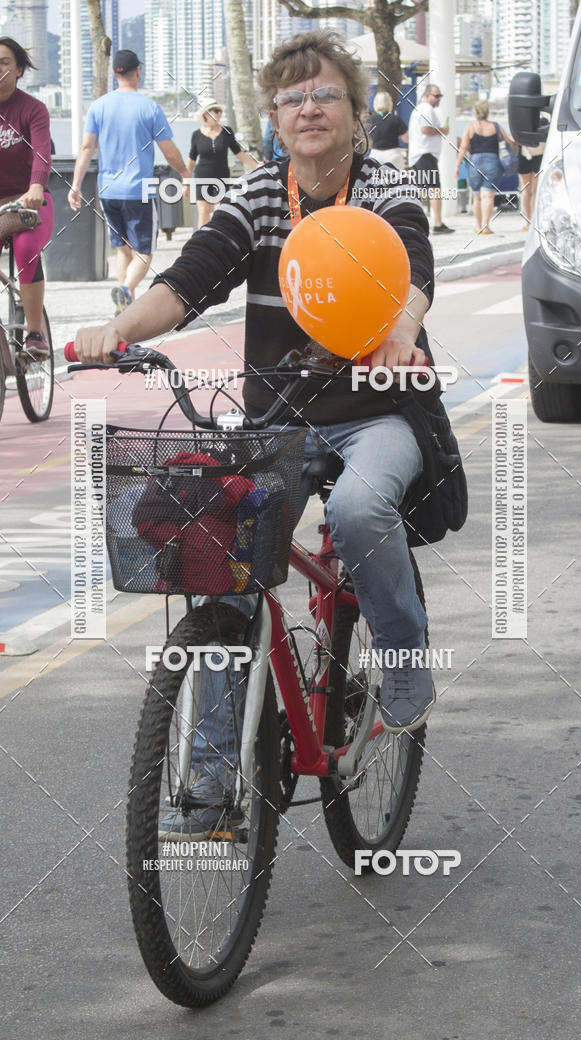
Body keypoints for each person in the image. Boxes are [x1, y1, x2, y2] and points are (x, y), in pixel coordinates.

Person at [73, 30, 438, 836]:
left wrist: (399, 331)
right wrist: (116, 329)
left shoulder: (384, 187)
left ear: (355, 112)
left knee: (358, 512)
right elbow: (187, 280)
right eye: (292, 97)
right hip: (280, 419)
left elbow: (412, 271)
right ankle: (210, 789)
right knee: (222, 558)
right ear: (273, 117)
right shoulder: (262, 194)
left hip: (379, 409)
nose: (309, 108)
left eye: (326, 93)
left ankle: (406, 660)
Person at [68, 50, 190, 316]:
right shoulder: (149, 108)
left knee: (122, 250)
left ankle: (124, 312)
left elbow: (86, 148)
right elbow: (169, 150)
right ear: (138, 72)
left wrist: (75, 185)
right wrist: (185, 174)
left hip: (108, 191)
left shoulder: (98, 106)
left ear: (115, 74)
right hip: (138, 190)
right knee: (144, 253)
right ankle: (125, 289)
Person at [0, 37, 54, 359]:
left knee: (26, 247)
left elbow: (42, 154)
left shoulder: (33, 109)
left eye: (4, 62)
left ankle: (35, 334)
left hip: (29, 201)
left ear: (19, 69)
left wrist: (35, 187)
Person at [187, 97, 258, 228]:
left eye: (219, 111)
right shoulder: (196, 135)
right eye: (215, 111)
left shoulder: (227, 132)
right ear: (206, 114)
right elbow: (191, 160)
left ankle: (216, 239)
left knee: (219, 213)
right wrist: (185, 183)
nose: (219, 113)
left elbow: (239, 153)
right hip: (201, 177)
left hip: (221, 177)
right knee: (203, 214)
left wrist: (256, 165)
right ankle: (202, 240)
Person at [455, 101, 514, 235]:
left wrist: (457, 165)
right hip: (493, 162)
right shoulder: (495, 126)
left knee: (477, 196)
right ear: (487, 112)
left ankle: (478, 226)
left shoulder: (470, 127)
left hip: (475, 162)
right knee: (488, 195)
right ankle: (485, 227)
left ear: (475, 112)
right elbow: (508, 142)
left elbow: (463, 147)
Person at [408, 83, 454, 234]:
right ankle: (437, 223)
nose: (439, 99)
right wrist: (442, 131)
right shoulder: (426, 109)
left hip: (420, 154)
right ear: (427, 95)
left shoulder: (420, 109)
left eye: (440, 96)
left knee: (422, 190)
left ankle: (416, 222)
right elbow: (425, 129)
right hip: (425, 154)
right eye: (437, 96)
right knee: (434, 189)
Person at [366, 90, 407, 169]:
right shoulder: (396, 119)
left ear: (375, 103)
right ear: (389, 103)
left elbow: (368, 143)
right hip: (393, 155)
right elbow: (405, 139)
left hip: (375, 156)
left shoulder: (369, 120)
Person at [518, 142, 545, 231]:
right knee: (534, 191)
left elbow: (512, 137)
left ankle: (529, 222)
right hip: (540, 151)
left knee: (526, 191)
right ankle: (533, 221)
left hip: (524, 152)